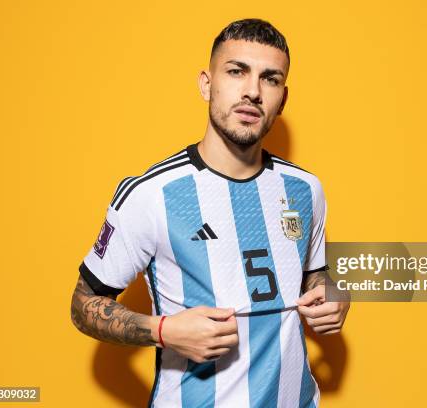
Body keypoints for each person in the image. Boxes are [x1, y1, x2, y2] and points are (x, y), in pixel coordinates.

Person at [70, 18, 350, 408]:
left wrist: (334, 295)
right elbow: (84, 304)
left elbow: (314, 275)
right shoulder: (151, 194)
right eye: (237, 72)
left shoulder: (306, 190)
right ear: (207, 84)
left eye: (269, 79)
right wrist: (163, 330)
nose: (252, 91)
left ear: (282, 99)